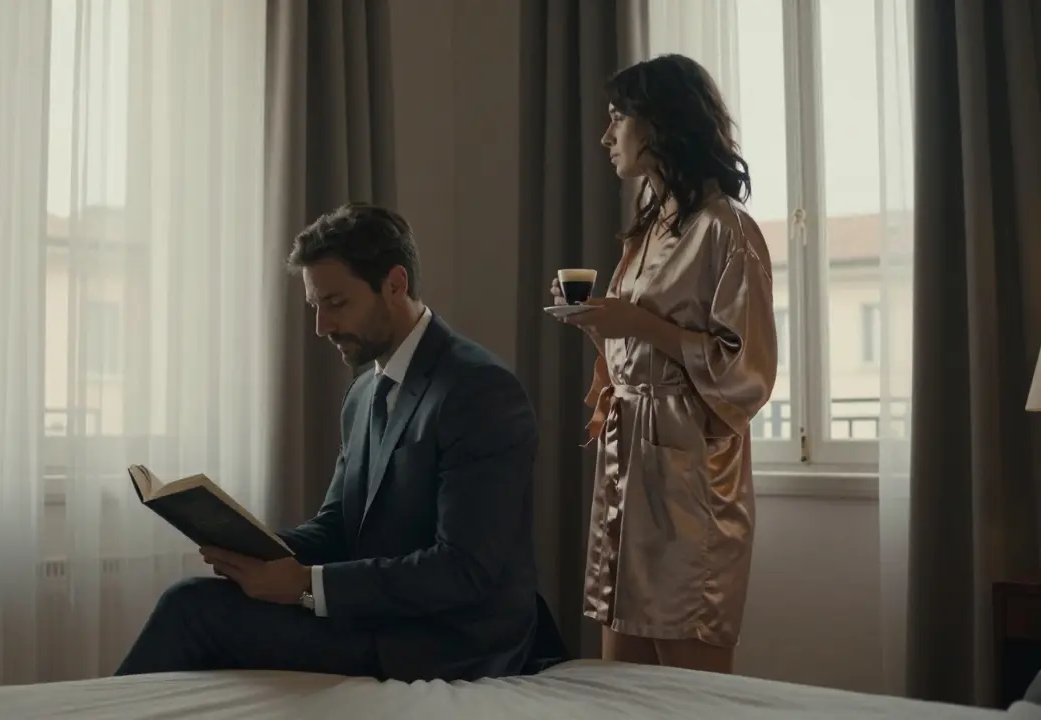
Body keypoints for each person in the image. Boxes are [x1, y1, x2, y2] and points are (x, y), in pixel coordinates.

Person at [116, 202, 552, 682]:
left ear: (395, 284)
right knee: (194, 599)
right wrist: (256, 548)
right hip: (376, 617)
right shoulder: (363, 393)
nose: (322, 326)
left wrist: (304, 584)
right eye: (314, 307)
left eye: (336, 303)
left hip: (451, 640)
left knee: (190, 609)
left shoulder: (479, 390)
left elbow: (465, 569)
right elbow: (337, 528)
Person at [549, 53, 778, 673]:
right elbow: (638, 347)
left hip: (689, 474)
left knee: (688, 676)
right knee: (621, 675)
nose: (606, 136)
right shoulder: (648, 230)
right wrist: (599, 330)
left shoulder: (727, 230)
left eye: (617, 117)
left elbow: (748, 372)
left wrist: (640, 325)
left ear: (658, 124)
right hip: (628, 463)